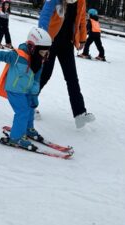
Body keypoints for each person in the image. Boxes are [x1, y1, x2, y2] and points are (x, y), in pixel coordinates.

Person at [0, 27, 52, 151]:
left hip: (26, 90)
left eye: (46, 52)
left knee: (30, 108)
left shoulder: (38, 60)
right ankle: (16, 137)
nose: (44, 55)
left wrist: (34, 95)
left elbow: (36, 80)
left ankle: (28, 129)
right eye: (42, 52)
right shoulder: (17, 56)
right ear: (33, 47)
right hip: (15, 90)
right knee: (22, 111)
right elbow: (0, 55)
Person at [38, 0, 96, 129]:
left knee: (72, 78)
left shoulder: (80, 1)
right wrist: (42, 38)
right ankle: (29, 105)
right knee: (44, 75)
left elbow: (81, 19)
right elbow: (45, 15)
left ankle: (80, 113)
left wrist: (82, 39)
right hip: (50, 41)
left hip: (67, 43)